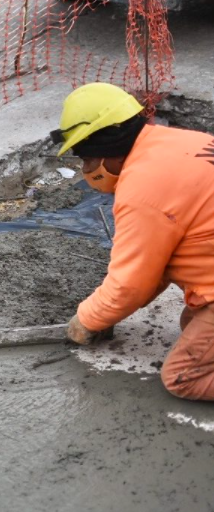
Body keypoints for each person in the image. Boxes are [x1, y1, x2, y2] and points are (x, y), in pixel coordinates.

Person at [52, 82, 214, 401]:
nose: (87, 170)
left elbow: (131, 283)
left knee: (182, 377)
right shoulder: (179, 141)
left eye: (88, 159)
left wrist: (87, 319)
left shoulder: (142, 190)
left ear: (110, 145)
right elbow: (155, 270)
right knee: (191, 322)